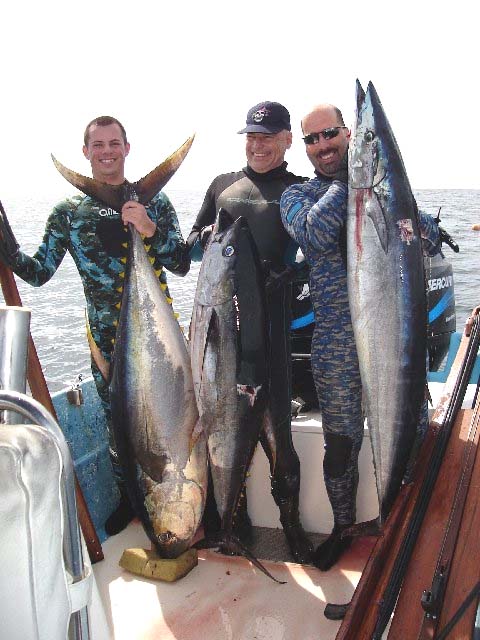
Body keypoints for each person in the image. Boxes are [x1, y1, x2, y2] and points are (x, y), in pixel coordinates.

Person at [0, 116, 191, 535]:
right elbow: (38, 272)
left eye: (114, 143)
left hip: (159, 340)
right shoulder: (69, 213)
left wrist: (149, 227)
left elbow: (180, 263)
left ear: (127, 148)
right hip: (107, 345)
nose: (107, 152)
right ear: (85, 152)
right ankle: (130, 499)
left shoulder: (156, 203)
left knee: (178, 416)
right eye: (98, 145)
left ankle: (190, 498)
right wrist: (7, 245)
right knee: (117, 426)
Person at [280, 104, 441, 570]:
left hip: (393, 338)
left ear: (348, 134)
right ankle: (344, 527)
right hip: (336, 347)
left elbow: (428, 236)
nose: (322, 145)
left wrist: (403, 212)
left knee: (412, 433)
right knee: (340, 448)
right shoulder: (298, 195)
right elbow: (314, 233)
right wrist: (352, 183)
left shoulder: (383, 193)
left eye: (329, 133)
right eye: (312, 139)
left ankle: (406, 522)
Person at [187, 101, 313, 563]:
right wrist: (202, 239)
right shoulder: (222, 186)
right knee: (218, 427)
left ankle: (292, 527)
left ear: (287, 140)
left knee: (278, 436)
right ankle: (228, 523)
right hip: (222, 335)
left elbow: (322, 255)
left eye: (268, 137)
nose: (258, 145)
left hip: (272, 334)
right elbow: (190, 248)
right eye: (251, 137)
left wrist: (293, 274)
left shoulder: (300, 190)